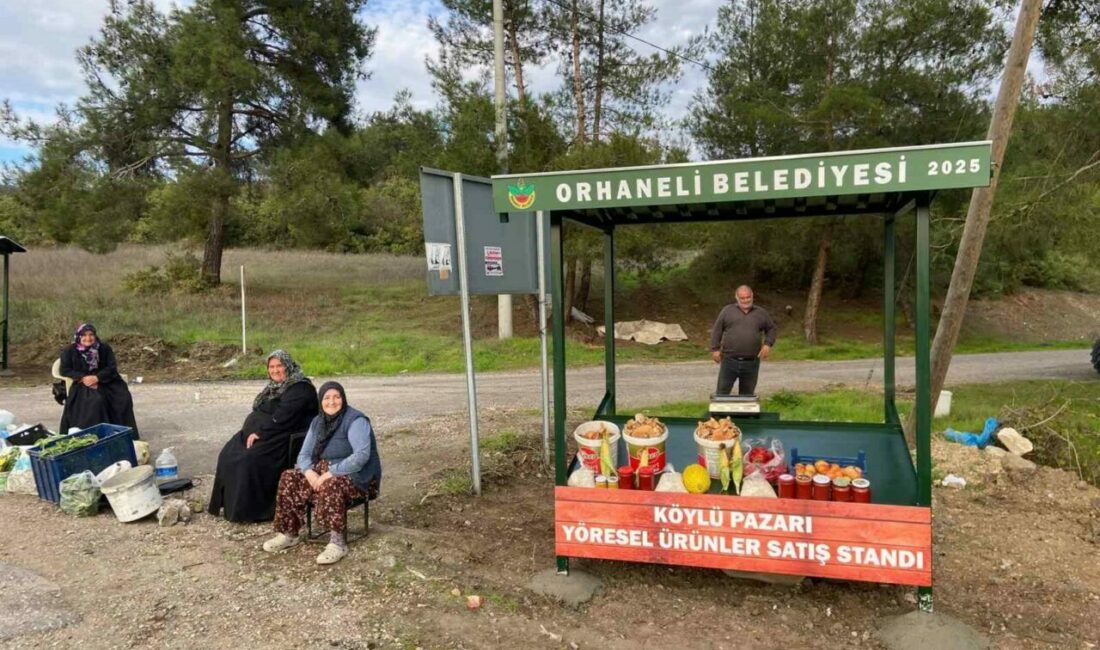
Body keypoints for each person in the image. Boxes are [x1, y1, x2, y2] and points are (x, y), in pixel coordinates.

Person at [262, 381, 381, 565]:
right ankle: (289, 534)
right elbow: (304, 455)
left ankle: (338, 543)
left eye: (336, 397)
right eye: (327, 398)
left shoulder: (355, 420)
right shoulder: (318, 422)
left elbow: (361, 456)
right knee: (289, 477)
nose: (332, 402)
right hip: (324, 470)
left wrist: (330, 473)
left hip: (358, 476)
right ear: (320, 400)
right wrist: (309, 472)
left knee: (331, 484)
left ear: (343, 398)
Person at [208, 350, 318, 522]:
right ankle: (231, 506)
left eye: (279, 365)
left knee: (247, 459)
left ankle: (254, 511)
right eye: (271, 367)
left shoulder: (301, 387)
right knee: (228, 454)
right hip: (262, 433)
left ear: (288, 366)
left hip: (283, 436)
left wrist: (261, 432)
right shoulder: (274, 387)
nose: (275, 370)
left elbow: (285, 416)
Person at [59, 323, 140, 439]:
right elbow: (65, 370)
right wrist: (84, 378)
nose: (88, 338)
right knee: (95, 400)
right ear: (78, 336)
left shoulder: (104, 348)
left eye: (91, 334)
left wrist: (97, 378)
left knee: (122, 397)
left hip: (106, 380)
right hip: (82, 382)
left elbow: (111, 367)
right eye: (84, 335)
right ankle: (96, 435)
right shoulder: (69, 351)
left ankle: (120, 433)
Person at [709, 285, 777, 396]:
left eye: (748, 297)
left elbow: (771, 329)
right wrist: (715, 349)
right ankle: (721, 408)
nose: (745, 300)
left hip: (751, 362)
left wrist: (767, 344)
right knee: (722, 393)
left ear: (752, 296)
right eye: (742, 298)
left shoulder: (761, 313)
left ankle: (745, 407)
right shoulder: (727, 311)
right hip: (729, 360)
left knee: (747, 395)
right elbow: (717, 330)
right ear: (737, 298)